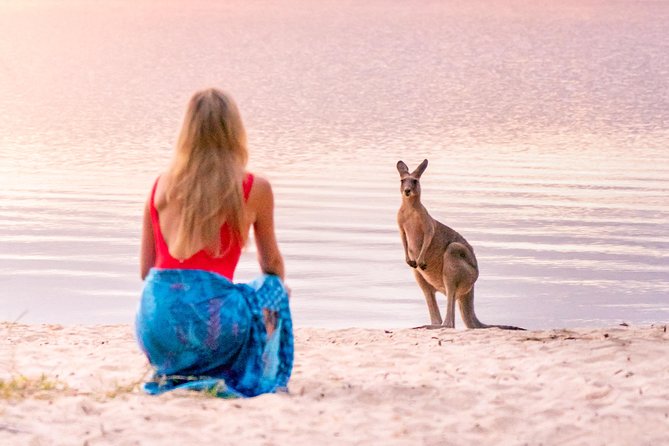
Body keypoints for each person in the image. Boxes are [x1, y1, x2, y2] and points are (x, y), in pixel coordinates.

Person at [135, 88, 293, 398]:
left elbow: (146, 270)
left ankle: (179, 367)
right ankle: (261, 372)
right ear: (235, 131)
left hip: (156, 330)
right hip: (217, 330)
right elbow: (271, 265)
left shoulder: (159, 185)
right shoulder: (254, 187)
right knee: (275, 290)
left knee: (201, 302)